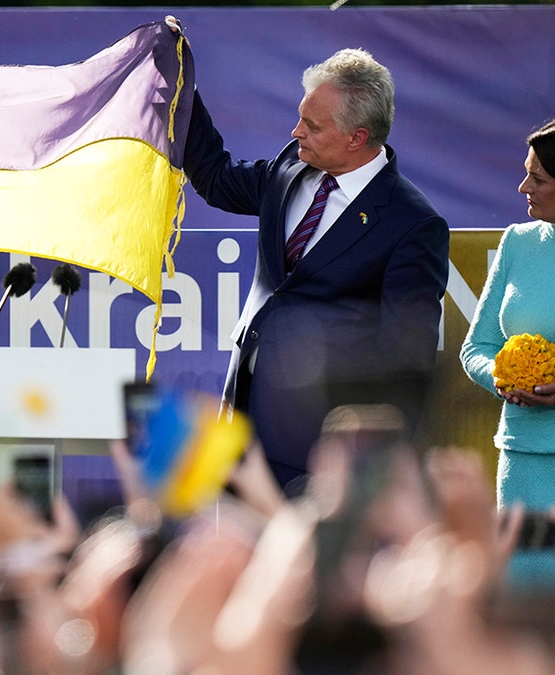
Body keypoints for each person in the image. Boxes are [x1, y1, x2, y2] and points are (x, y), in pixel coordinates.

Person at [179, 38, 450, 492]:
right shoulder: (291, 167)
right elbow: (216, 178)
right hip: (241, 425)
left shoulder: (413, 223)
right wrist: (181, 88)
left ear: (356, 137)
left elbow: (409, 357)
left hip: (319, 452)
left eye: (311, 124)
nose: (295, 132)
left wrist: (369, 470)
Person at [460, 119, 555, 587]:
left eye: (537, 178)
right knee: (525, 599)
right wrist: (504, 378)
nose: (523, 187)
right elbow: (476, 347)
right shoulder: (518, 242)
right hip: (523, 461)